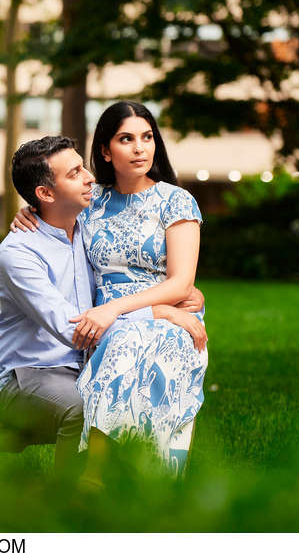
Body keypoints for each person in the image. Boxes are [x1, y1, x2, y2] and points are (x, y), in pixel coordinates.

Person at [13, 101, 209, 477]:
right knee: (122, 339)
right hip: (107, 318)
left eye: (147, 137)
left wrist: (144, 310)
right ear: (105, 150)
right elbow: (50, 205)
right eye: (126, 139)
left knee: (134, 343)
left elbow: (181, 284)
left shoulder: (175, 201)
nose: (140, 148)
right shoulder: (91, 201)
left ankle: (105, 474)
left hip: (169, 316)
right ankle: (116, 477)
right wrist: (26, 212)